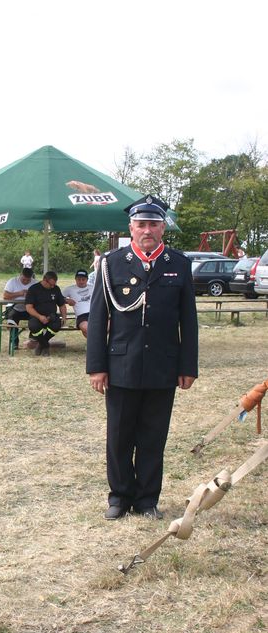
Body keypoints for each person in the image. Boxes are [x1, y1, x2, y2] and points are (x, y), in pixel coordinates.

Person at [87, 195, 198, 520]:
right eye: (141, 224)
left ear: (163, 227)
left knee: (153, 437)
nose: (147, 230)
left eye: (153, 224)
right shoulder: (111, 263)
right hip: (121, 364)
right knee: (119, 436)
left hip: (163, 366)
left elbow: (187, 320)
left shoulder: (178, 263)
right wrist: (96, 366)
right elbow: (97, 318)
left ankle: (148, 499)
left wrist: (187, 366)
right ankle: (119, 497)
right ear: (131, 227)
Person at [25, 270, 68, 356]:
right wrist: (40, 316)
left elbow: (62, 305)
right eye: (51, 284)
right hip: (36, 316)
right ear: (44, 280)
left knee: (56, 325)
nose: (52, 286)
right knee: (33, 326)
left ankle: (41, 344)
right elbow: (28, 307)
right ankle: (45, 345)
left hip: (52, 316)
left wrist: (64, 317)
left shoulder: (56, 289)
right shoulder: (33, 289)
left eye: (54, 284)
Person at [2, 265, 37, 348]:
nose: (25, 281)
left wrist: (31, 295)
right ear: (20, 275)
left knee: (36, 317)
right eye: (24, 279)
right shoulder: (12, 281)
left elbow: (40, 297)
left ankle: (33, 340)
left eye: (28, 280)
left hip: (29, 308)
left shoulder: (35, 283)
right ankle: (14, 343)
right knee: (12, 318)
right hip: (14, 308)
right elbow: (5, 296)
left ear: (31, 278)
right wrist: (19, 293)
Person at [62, 269, 92, 338]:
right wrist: (67, 300)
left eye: (83, 279)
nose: (81, 281)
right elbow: (59, 298)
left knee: (108, 326)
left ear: (87, 279)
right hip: (81, 316)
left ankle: (94, 345)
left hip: (94, 313)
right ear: (75, 279)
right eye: (79, 279)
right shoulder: (70, 289)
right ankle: (96, 345)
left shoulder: (93, 287)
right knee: (86, 328)